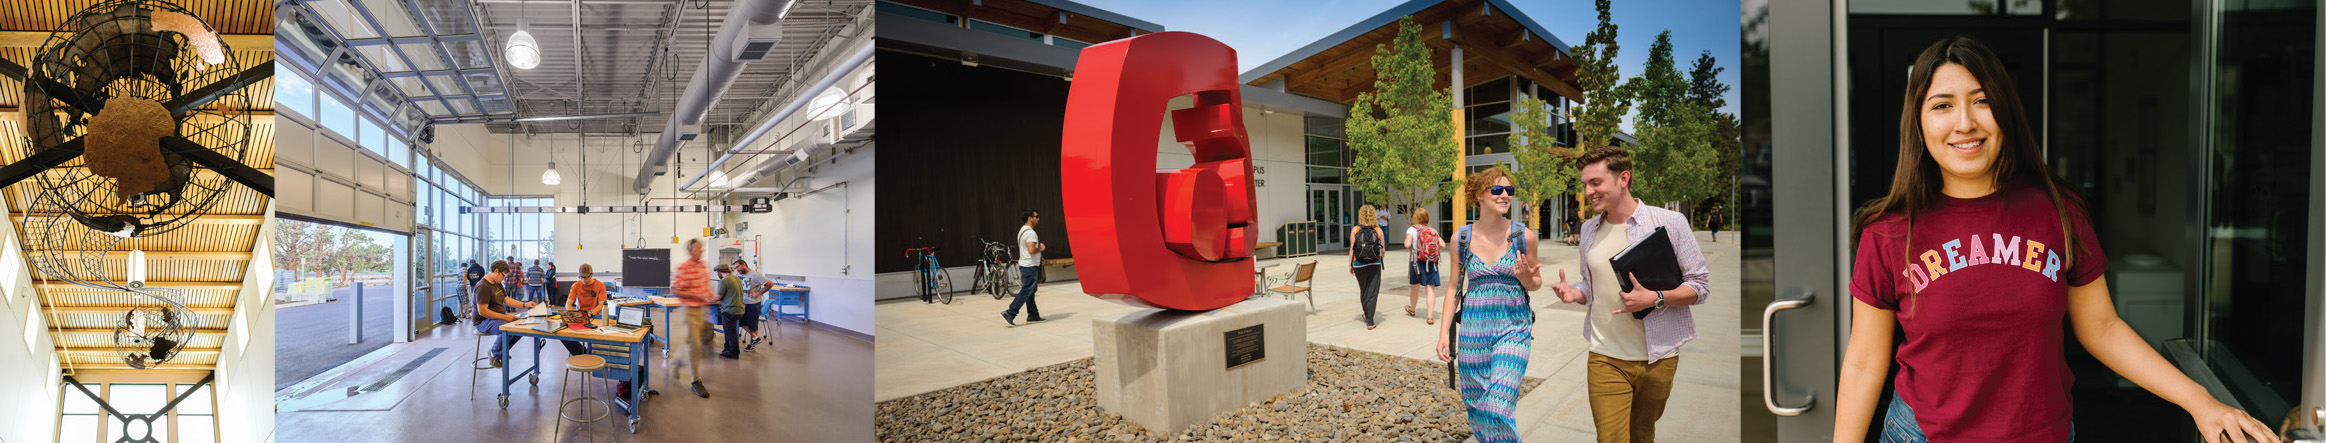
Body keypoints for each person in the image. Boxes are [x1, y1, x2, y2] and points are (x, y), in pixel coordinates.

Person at [1834, 36, 2276, 443]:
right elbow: (1864, 362)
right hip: (1923, 435)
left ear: (2006, 111)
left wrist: (2199, 401)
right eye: (1942, 105)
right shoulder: (1890, 231)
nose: (1964, 122)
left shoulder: (2058, 211)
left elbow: (2102, 328)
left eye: (1982, 101)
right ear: (1918, 122)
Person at [1548, 146, 1713, 443]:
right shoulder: (1588, 229)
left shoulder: (1670, 223)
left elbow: (1699, 286)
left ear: (1623, 178)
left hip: (1659, 357)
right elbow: (1590, 283)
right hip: (1605, 355)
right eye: (1585, 184)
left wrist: (1656, 298)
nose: (1588, 191)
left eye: (1595, 183)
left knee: (1642, 434)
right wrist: (1575, 293)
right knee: (1611, 439)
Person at [1434, 167, 1544, 443]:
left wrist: (1527, 278)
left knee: (1497, 406)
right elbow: (1453, 288)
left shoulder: (1523, 236)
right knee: (1477, 408)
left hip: (1513, 330)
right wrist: (1444, 333)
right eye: (1497, 190)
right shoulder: (1461, 239)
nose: (1505, 195)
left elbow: (1535, 282)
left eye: (1509, 190)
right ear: (1479, 195)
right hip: (1473, 333)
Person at [670, 238, 720, 398]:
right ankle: (695, 381)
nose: (702, 250)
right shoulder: (683, 268)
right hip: (689, 310)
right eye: (698, 248)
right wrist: (695, 295)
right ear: (690, 250)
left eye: (701, 248)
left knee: (691, 342)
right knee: (695, 346)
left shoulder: (704, 266)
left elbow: (706, 286)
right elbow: (675, 290)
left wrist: (710, 296)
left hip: (702, 309)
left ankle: (676, 362)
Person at [471, 260, 537, 368]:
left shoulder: (497, 284)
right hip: (483, 322)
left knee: (519, 328)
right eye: (503, 276)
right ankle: (494, 353)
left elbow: (507, 300)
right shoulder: (483, 286)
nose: (504, 279)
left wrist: (525, 305)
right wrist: (505, 317)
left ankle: (500, 352)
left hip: (497, 318)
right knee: (506, 328)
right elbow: (483, 311)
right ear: (496, 271)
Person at [1001, 209, 1047, 326]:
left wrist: (1039, 257)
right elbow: (1031, 250)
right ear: (1030, 218)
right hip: (1030, 267)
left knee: (1030, 291)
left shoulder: (1023, 230)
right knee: (1027, 290)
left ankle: (1033, 315)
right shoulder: (1030, 233)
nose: (1038, 218)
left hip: (1026, 265)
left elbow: (1028, 249)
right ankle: (1010, 313)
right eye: (1036, 216)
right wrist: (1041, 248)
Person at [1348, 204, 1386, 329]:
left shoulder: (1355, 229)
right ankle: (1370, 320)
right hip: (1374, 263)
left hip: (1358, 263)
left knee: (1364, 290)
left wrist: (1351, 264)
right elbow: (1383, 250)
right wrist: (1379, 260)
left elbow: (1352, 249)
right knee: (1373, 291)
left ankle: (1366, 313)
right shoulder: (1378, 230)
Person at [1403, 208, 1444, 324]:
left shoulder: (1412, 229)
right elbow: (1443, 244)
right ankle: (1430, 316)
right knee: (1430, 288)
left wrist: (1408, 240)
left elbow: (1407, 244)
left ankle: (1412, 309)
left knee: (1415, 288)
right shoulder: (1433, 230)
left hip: (1417, 262)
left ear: (1415, 218)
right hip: (1431, 262)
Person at [559, 264, 608, 357]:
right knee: (562, 334)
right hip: (580, 317)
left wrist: (590, 313)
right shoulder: (576, 285)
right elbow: (568, 303)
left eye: (586, 277)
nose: (583, 280)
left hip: (596, 317)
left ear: (592, 274)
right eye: (581, 277)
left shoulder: (600, 285)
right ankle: (582, 354)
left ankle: (588, 356)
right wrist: (572, 314)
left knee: (593, 337)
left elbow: (602, 304)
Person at [733, 260, 770, 350]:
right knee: (741, 322)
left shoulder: (755, 275)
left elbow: (769, 284)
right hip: (742, 303)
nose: (737, 269)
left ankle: (752, 344)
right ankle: (755, 338)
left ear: (744, 265)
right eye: (735, 268)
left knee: (752, 325)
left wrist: (759, 293)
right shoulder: (738, 274)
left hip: (753, 304)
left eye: (738, 267)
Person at [715, 265, 748, 359]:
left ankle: (734, 353)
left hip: (730, 310)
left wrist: (708, 299)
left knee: (730, 332)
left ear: (719, 271)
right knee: (729, 331)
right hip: (740, 309)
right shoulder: (736, 278)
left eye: (717, 273)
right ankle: (727, 349)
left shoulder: (723, 281)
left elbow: (717, 297)